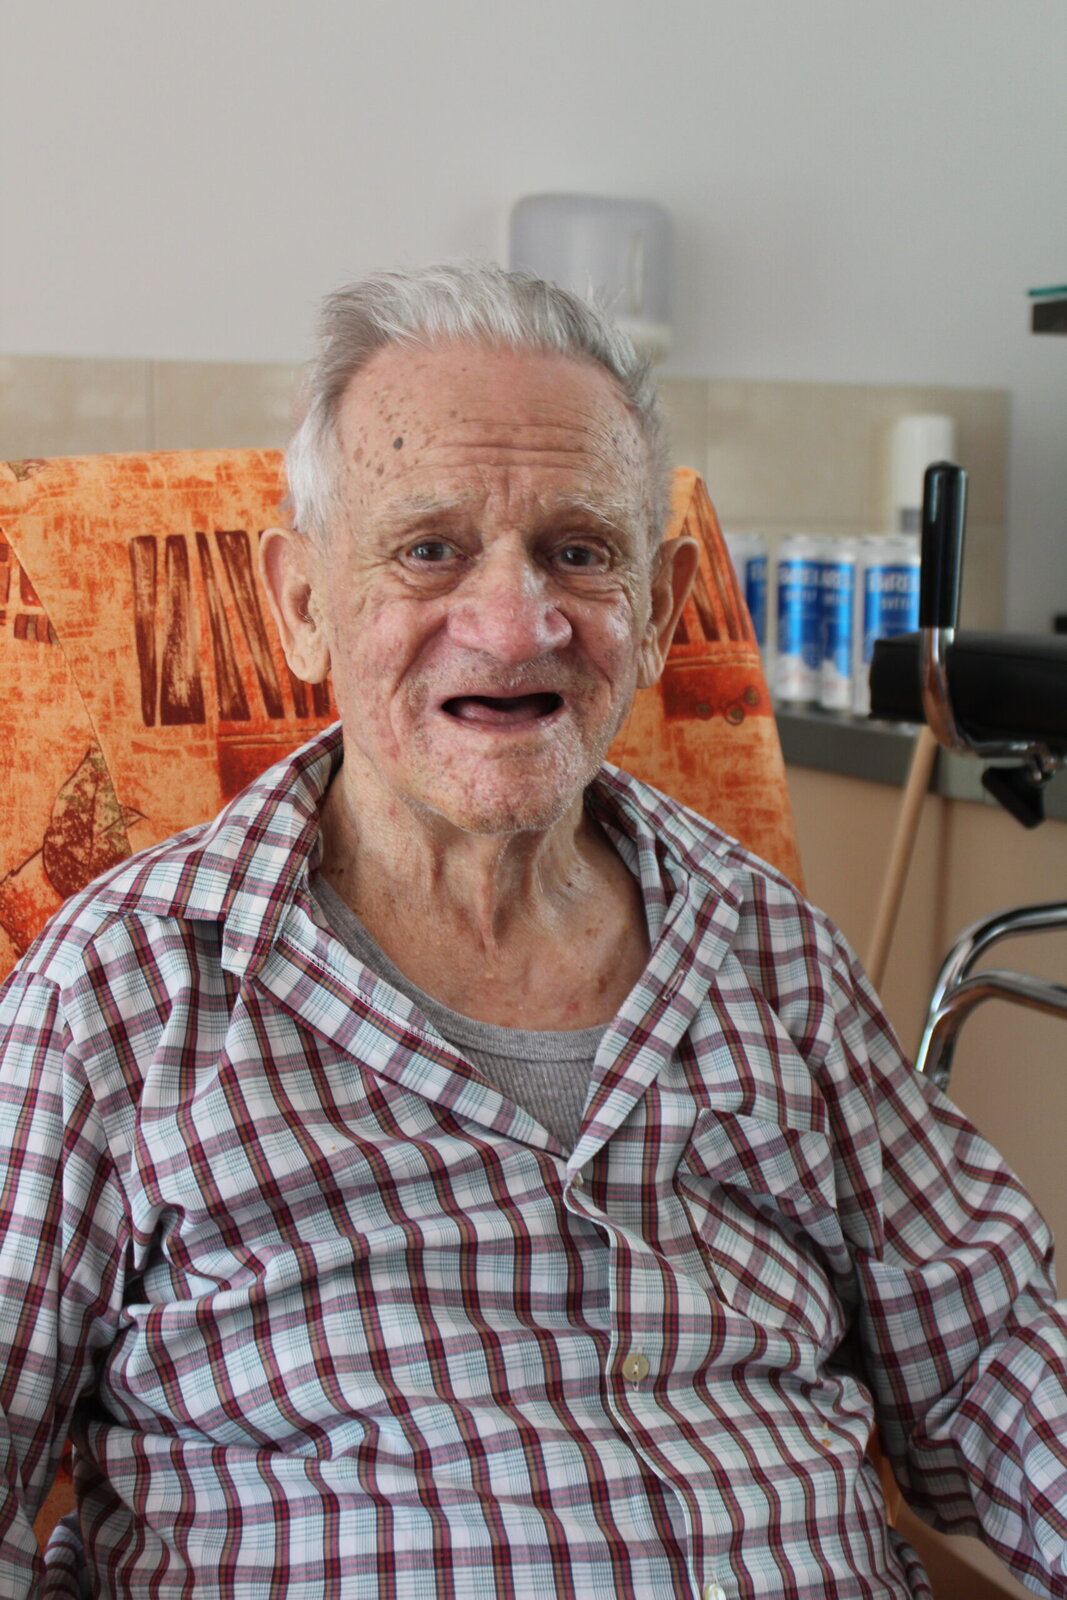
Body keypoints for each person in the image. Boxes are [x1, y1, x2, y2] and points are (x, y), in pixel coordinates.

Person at [0, 263, 1065, 1600]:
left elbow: (992, 1360)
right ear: (301, 602)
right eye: (429, 549)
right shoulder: (125, 985)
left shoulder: (769, 949)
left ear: (659, 607)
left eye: (578, 550)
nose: (514, 626)